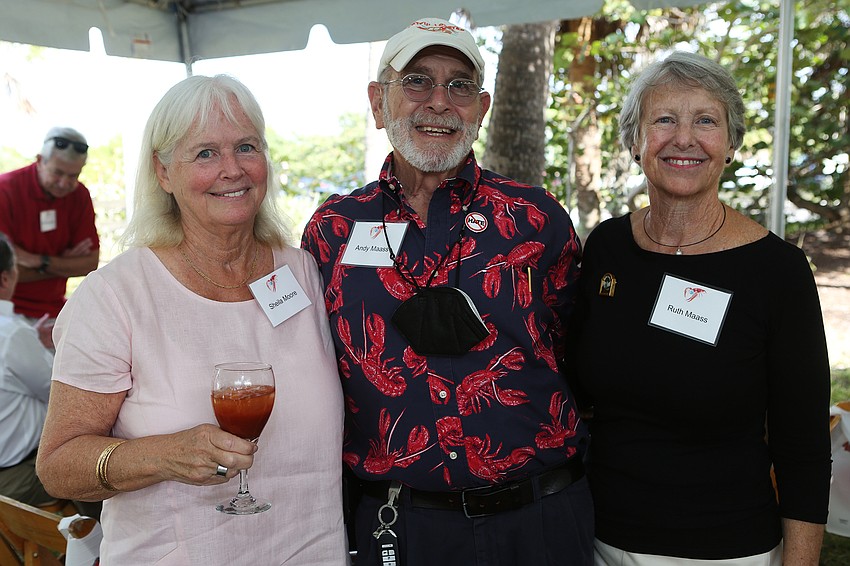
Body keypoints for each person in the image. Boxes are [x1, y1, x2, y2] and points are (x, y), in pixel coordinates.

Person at [302, 17, 593, 566]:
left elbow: (575, 348)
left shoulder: (535, 218)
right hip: (401, 527)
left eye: (459, 85)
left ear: (481, 108)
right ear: (378, 100)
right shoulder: (332, 230)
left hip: (541, 521)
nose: (439, 101)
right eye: (416, 81)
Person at [35, 75, 347, 565]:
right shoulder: (117, 295)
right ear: (163, 172)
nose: (232, 170)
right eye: (205, 153)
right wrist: (162, 455)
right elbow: (57, 467)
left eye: (246, 146)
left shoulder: (302, 272)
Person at [569, 51, 831, 565]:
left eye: (705, 121)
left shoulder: (777, 271)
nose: (683, 138)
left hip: (725, 549)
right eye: (663, 119)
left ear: (731, 144)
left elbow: (802, 449)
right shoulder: (607, 249)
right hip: (597, 540)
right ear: (634, 141)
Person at [0, 127, 100, 322]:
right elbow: (5, 274)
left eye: (73, 176)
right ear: (39, 161)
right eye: (57, 173)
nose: (64, 183)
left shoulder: (79, 195)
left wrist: (39, 261)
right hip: (6, 310)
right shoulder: (6, 191)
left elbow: (89, 264)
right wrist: (62, 263)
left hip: (54, 310)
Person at [0, 232, 55, 506]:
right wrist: (40, 349)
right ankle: (94, 545)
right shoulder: (12, 335)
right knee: (87, 467)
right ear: (5, 279)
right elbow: (57, 392)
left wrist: (33, 345)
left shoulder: (16, 337)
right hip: (14, 478)